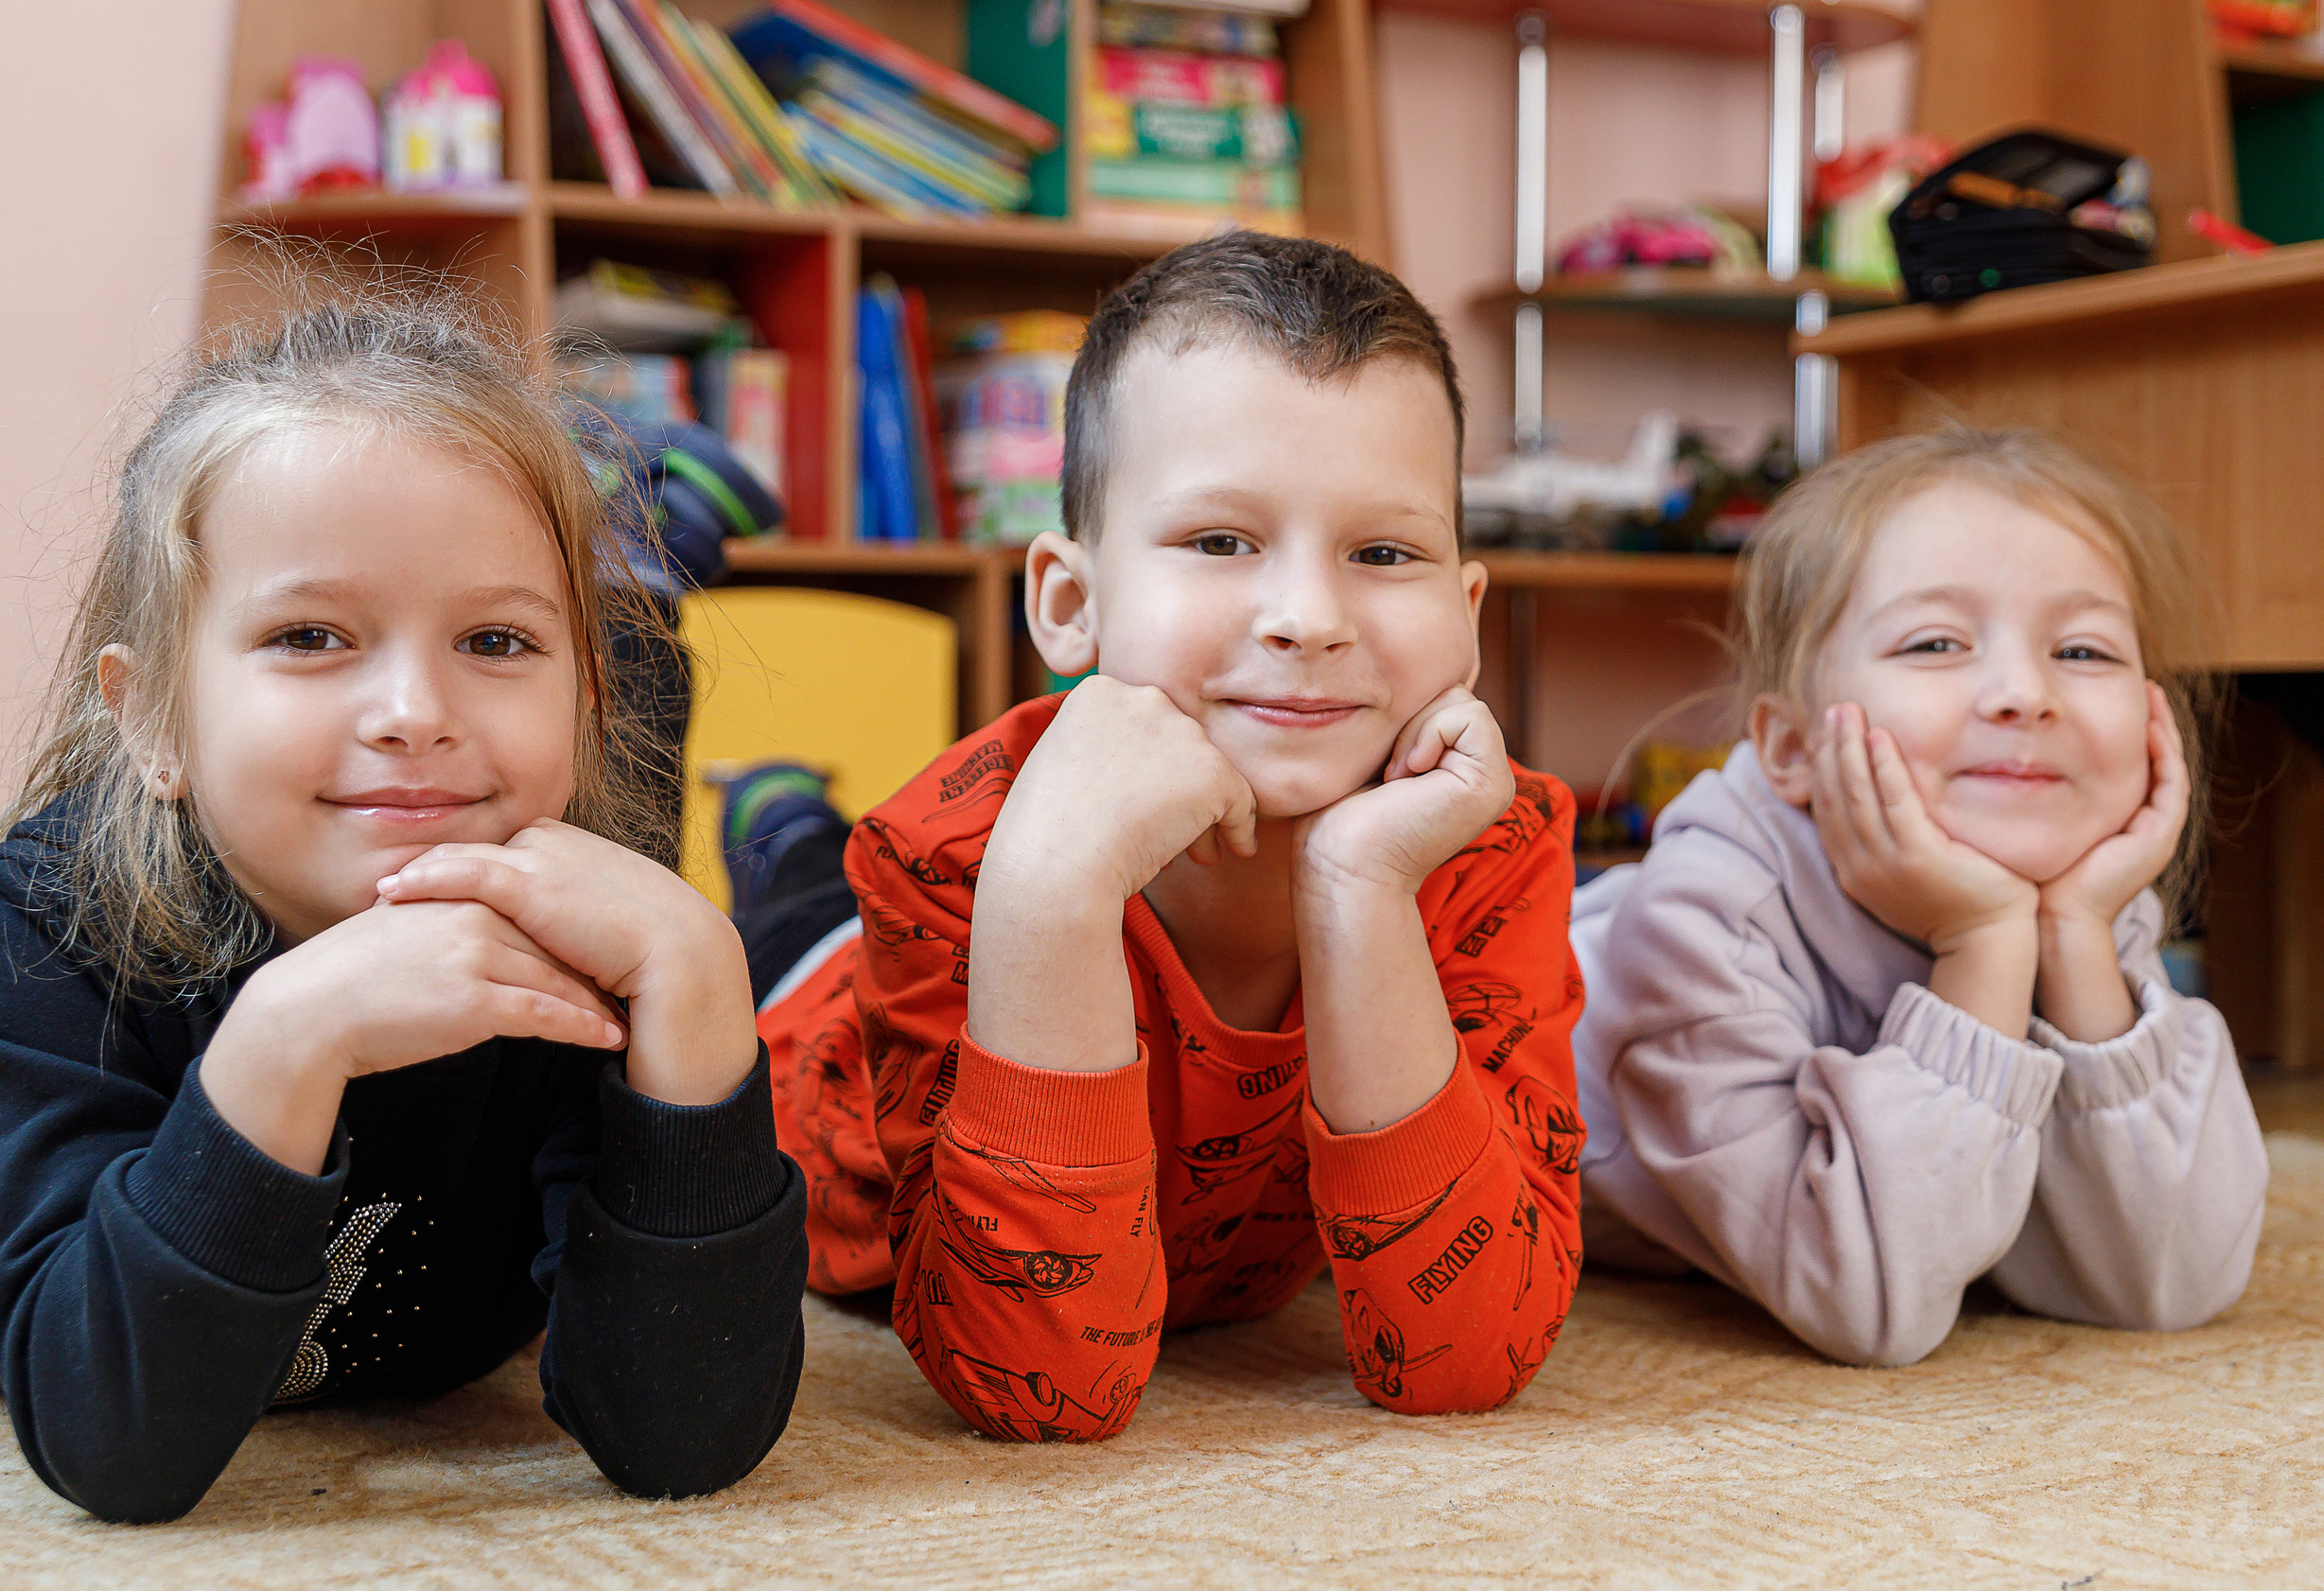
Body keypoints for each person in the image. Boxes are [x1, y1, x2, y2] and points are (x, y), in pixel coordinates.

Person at [0, 298, 807, 1521]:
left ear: (581, 695)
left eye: (492, 636)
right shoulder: (58, 909)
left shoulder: (580, 928)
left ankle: (637, 575)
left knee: (623, 782)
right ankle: (637, 551)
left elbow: (684, 1438)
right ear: (154, 715)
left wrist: (701, 991)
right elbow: (113, 1442)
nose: (412, 709)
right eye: (311, 634)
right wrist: (287, 1037)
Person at [748, 232, 1584, 1441]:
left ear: (1464, 615)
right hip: (815, 998)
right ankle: (778, 816)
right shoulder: (949, 856)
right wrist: (1048, 899)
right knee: (784, 893)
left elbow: (1465, 1356)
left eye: (1383, 553)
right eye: (1219, 542)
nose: (1306, 616)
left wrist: (1361, 891)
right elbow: (1040, 1389)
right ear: (1071, 604)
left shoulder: (1488, 840)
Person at [1570, 428, 2266, 1367]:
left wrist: (2070, 942)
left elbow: (2169, 1282)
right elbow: (1868, 1302)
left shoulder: (2077, 897)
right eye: (1935, 642)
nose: (2023, 692)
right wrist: (1981, 944)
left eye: (2085, 651)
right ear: (1789, 747)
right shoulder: (1703, 923)